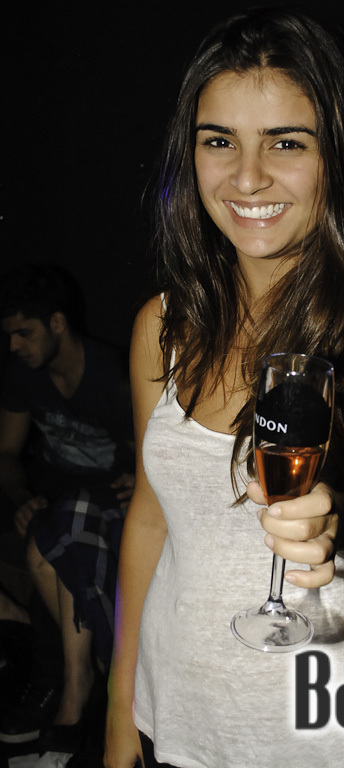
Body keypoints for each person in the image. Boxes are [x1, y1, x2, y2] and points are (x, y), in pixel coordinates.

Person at [104, 9, 344, 768]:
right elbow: (150, 520)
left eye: (287, 143)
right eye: (219, 141)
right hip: (179, 717)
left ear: (337, 154)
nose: (247, 177)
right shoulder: (162, 325)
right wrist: (122, 707)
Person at [0, 263, 134, 750]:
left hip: (110, 502)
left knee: (55, 537)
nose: (14, 346)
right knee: (52, 528)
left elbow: (154, 451)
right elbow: (6, 452)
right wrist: (21, 498)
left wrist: (142, 477)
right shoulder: (24, 374)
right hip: (54, 497)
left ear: (57, 323)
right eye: (9, 336)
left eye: (24, 333)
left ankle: (67, 687)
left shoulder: (114, 373)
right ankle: (85, 675)